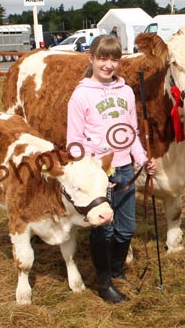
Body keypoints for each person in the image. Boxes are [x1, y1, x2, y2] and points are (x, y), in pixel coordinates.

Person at [66, 34, 157, 303]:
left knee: (126, 229)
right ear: (91, 59)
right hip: (98, 175)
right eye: (103, 58)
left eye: (114, 59)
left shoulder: (126, 91)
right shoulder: (81, 95)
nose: (109, 64)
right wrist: (89, 171)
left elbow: (131, 132)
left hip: (125, 169)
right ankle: (104, 282)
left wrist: (142, 160)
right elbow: (74, 141)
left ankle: (116, 271)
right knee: (103, 228)